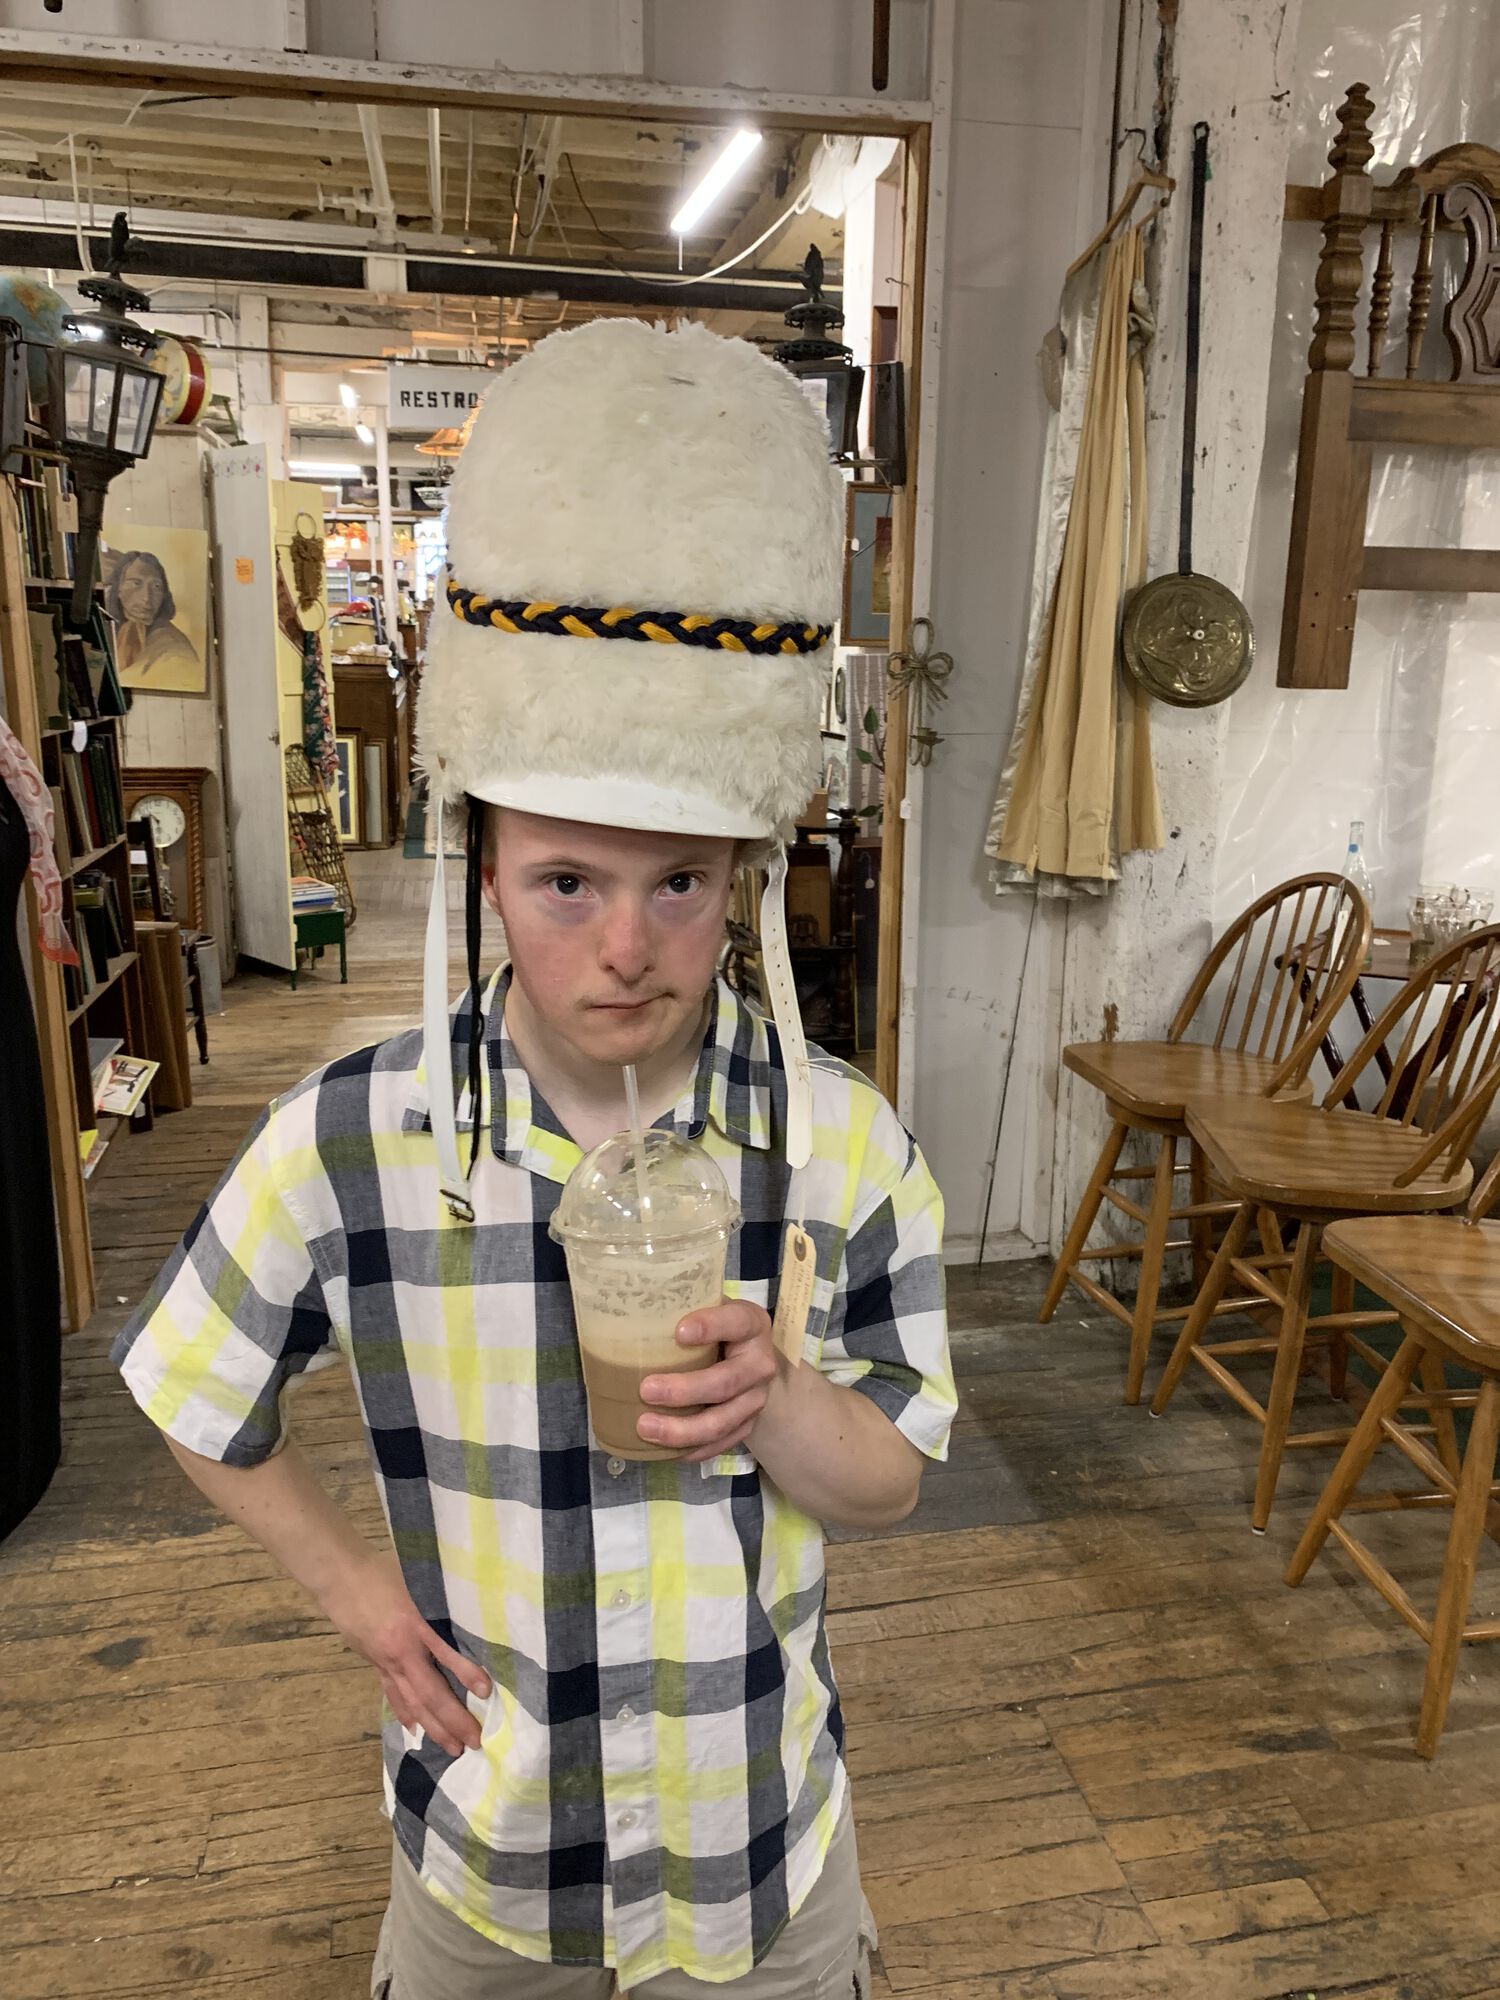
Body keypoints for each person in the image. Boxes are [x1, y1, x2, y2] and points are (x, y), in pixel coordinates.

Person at [112, 319, 955, 1998]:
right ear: (479, 867)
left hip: (758, 1859)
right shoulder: (357, 1137)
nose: (626, 947)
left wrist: (782, 1396)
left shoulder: (837, 1137)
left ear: (743, 878)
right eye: (568, 881)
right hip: (490, 1868)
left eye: (681, 886)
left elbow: (895, 1479)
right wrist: (353, 1590)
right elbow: (188, 1385)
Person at [103, 548, 200, 678]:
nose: (147, 597)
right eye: (136, 583)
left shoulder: (173, 647)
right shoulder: (107, 628)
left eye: (156, 587)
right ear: (118, 588)